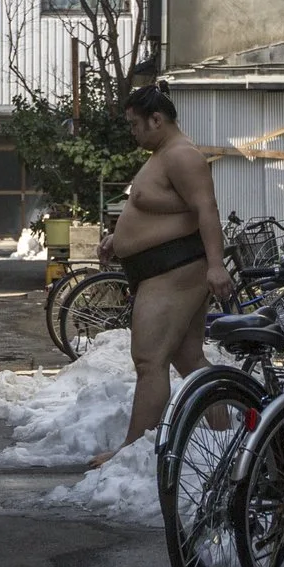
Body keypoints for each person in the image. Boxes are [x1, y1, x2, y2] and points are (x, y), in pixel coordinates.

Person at [89, 86, 233, 469]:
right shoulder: (163, 155)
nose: (132, 132)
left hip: (174, 271)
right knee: (187, 357)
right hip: (164, 268)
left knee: (149, 360)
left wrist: (217, 265)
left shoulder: (182, 156)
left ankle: (133, 453)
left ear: (157, 120)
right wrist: (117, 239)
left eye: (136, 124)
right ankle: (228, 434)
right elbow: (170, 213)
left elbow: (207, 209)